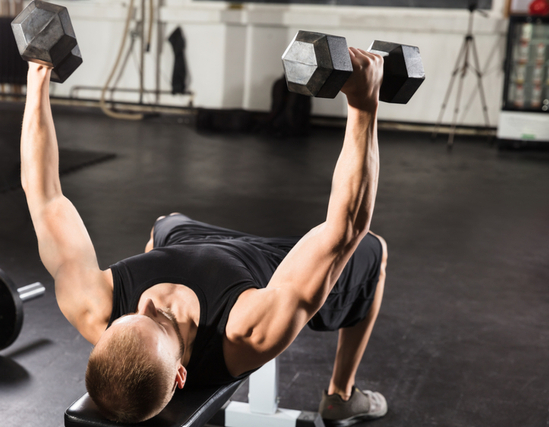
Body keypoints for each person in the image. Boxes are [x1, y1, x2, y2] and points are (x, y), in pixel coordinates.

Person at [20, 47, 387, 426]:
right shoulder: (246, 331)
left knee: (164, 224)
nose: (148, 303)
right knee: (372, 247)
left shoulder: (92, 305)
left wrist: (38, 72)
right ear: (181, 374)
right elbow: (342, 230)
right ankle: (342, 395)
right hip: (264, 263)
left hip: (188, 242)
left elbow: (44, 195)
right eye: (158, 321)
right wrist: (363, 105)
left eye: (128, 316)